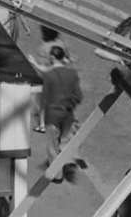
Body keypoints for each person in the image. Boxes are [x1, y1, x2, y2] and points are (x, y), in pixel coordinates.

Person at [40, 45, 82, 181]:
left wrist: (41, 119)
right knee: (65, 140)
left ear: (52, 57)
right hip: (67, 114)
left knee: (52, 146)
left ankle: (57, 175)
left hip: (52, 115)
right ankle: (67, 161)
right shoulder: (73, 74)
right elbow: (78, 96)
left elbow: (44, 98)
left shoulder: (49, 75)